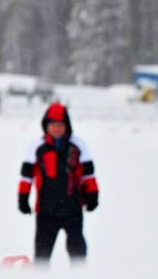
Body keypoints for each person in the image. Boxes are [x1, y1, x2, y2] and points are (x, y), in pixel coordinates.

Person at [18, 103, 99, 264]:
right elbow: (26, 177)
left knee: (78, 251)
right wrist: (23, 199)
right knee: (42, 254)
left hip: (73, 208)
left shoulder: (78, 145)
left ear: (67, 126)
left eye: (60, 124)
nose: (56, 128)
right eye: (52, 124)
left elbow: (89, 175)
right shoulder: (37, 146)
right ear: (46, 126)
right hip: (46, 210)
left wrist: (93, 196)